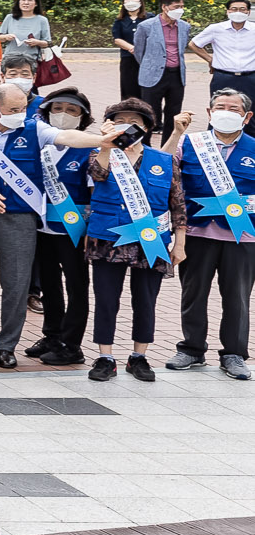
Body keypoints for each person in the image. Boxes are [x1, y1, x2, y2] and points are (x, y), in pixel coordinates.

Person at [0, 79, 106, 367]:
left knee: (16, 284)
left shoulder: (34, 128)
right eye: (14, 109)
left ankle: (7, 346)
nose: (21, 114)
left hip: (21, 218)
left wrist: (103, 141)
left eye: (24, 108)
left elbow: (67, 138)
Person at [83, 98, 179, 382]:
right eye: (120, 119)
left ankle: (139, 357)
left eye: (135, 121)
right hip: (107, 239)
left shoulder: (163, 160)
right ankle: (105, 357)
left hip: (150, 241)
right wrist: (105, 142)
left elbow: (178, 204)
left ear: (147, 127)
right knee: (106, 299)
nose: (128, 125)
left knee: (146, 300)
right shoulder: (101, 153)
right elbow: (97, 174)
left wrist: (181, 242)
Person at [168, 90, 255, 379]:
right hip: (197, 232)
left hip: (243, 237)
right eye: (220, 107)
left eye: (233, 108)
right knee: (194, 293)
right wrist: (175, 132)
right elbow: (160, 168)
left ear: (246, 116)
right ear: (209, 113)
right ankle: (191, 349)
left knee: (237, 297)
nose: (226, 112)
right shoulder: (190, 143)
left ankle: (234, 353)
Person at [27, 89, 96, 369]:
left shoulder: (90, 149)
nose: (64, 115)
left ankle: (72, 344)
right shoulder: (37, 143)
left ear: (83, 118)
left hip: (73, 230)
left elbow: (96, 193)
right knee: (49, 285)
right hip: (40, 227)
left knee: (77, 285)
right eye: (58, 108)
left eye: (72, 110)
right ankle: (52, 335)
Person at [132, 0, 194, 133]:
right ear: (164, 7)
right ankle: (145, 148)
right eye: (176, 7)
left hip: (176, 75)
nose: (180, 10)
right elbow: (139, 51)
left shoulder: (184, 26)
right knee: (149, 113)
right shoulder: (146, 26)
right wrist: (151, 64)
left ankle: (168, 148)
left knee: (173, 113)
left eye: (182, 7)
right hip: (153, 75)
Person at [191, 0, 255, 109]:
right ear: (228, 11)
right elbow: (194, 44)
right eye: (234, 9)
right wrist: (210, 59)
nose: (238, 12)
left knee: (251, 112)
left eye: (242, 9)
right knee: (219, 109)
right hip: (223, 77)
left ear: (248, 12)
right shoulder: (216, 29)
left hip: (250, 77)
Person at [112, 0, 146, 106]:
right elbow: (117, 39)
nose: (131, 2)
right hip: (128, 59)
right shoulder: (120, 20)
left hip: (146, 59)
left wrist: (141, 49)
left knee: (146, 88)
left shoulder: (150, 18)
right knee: (129, 87)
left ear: (141, 2)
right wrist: (132, 48)